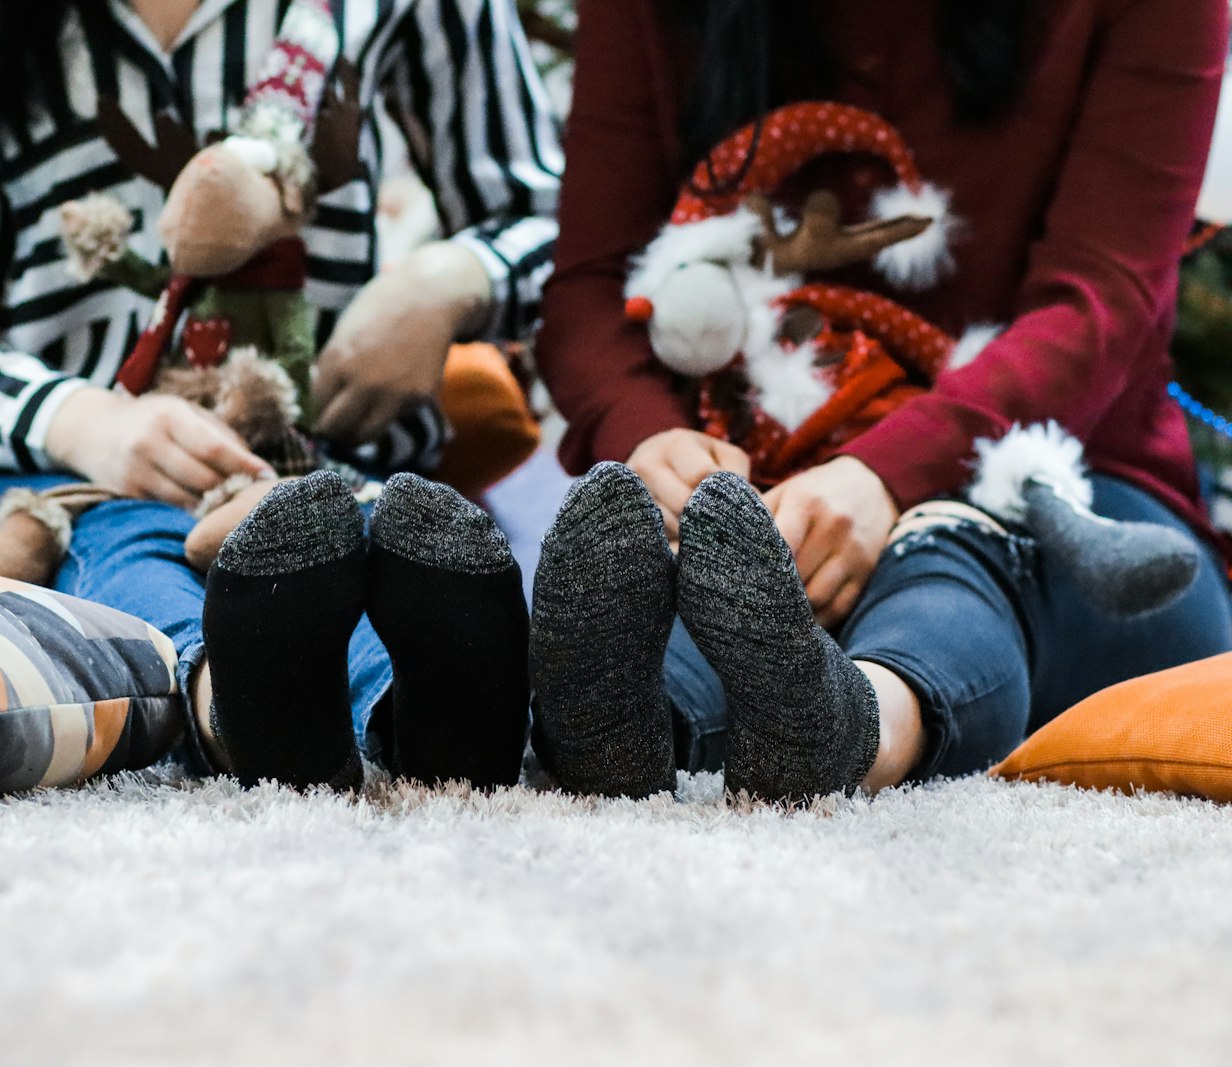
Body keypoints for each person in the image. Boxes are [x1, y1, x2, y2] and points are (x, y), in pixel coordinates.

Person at [528, 0, 1232, 801]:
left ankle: (854, 728)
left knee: (950, 554)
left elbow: (1100, 305)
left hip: (1058, 483)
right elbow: (589, 285)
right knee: (714, 581)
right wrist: (651, 441)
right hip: (756, 487)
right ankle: (625, 726)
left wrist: (885, 474)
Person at [0, 0, 559, 788]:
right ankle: (250, 705)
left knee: (354, 530)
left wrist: (445, 282)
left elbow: (553, 226)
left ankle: (416, 712)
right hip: (35, 475)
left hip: (313, 456)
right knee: (130, 537)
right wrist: (89, 424)